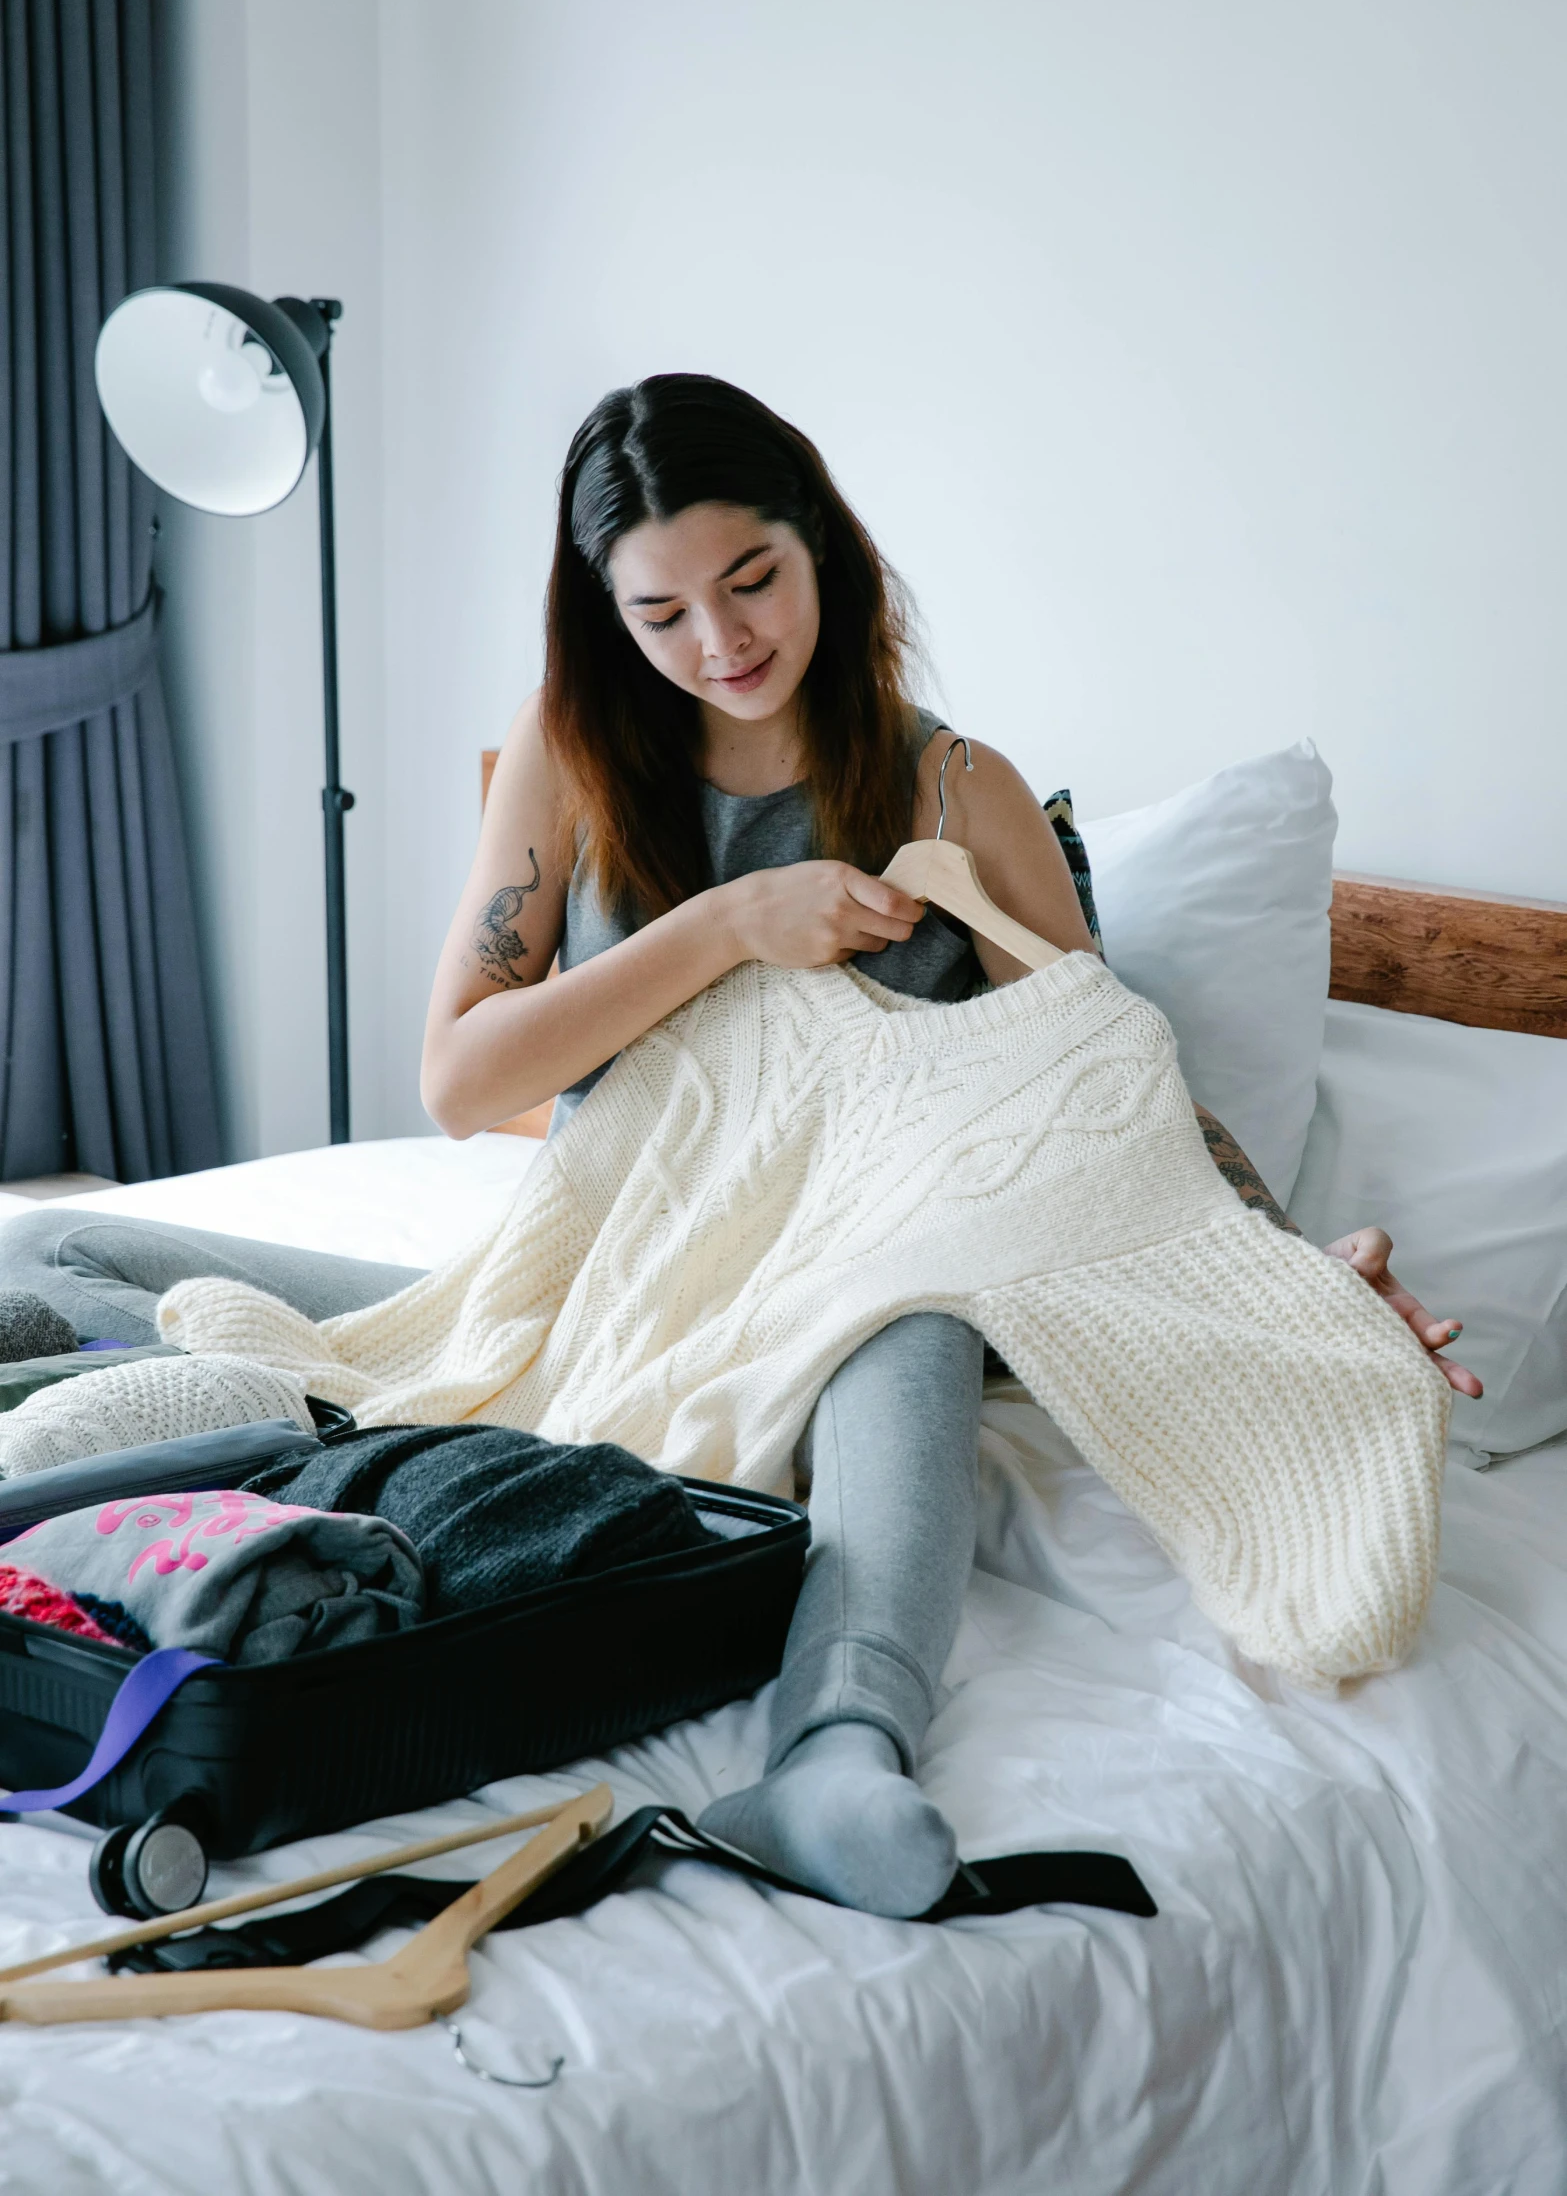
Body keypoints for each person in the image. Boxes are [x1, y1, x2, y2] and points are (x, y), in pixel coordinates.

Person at [0, 373, 1479, 1917]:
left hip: (848, 1280)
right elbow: (457, 1076)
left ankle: (840, 1749)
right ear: (605, 614)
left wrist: (1294, 1280)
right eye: (660, 612)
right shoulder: (573, 752)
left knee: (904, 1328)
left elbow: (1107, 1096)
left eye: (752, 578)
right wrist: (726, 926)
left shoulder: (952, 791)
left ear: (819, 543)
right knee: (55, 1245)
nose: (720, 642)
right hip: (595, 1269)